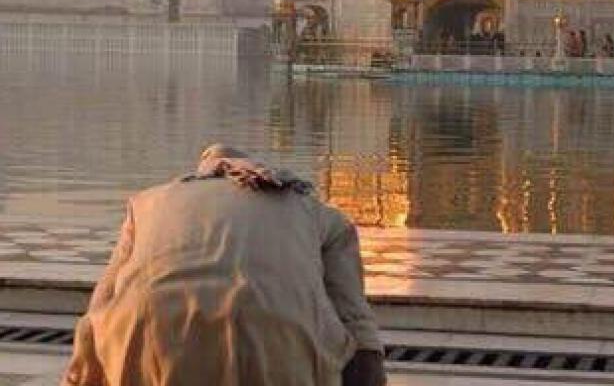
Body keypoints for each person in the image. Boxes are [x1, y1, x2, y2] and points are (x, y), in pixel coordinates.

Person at [62, 144, 386, 386]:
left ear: (204, 171)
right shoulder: (316, 212)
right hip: (279, 347)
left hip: (147, 343)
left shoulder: (148, 203)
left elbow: (100, 307)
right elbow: (355, 320)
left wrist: (78, 377)